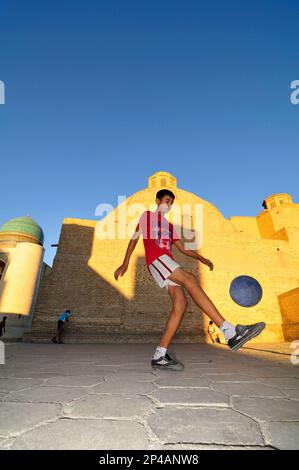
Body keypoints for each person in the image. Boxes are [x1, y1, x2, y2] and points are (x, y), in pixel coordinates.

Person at [114, 189, 266, 371]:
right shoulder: (147, 217)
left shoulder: (170, 227)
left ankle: (160, 355)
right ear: (157, 201)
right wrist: (125, 263)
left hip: (166, 261)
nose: (168, 205)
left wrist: (201, 258)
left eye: (171, 203)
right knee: (190, 279)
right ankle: (229, 331)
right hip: (157, 260)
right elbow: (134, 239)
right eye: (166, 200)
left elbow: (184, 249)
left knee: (181, 304)